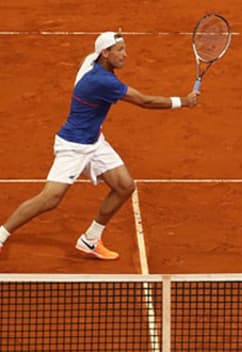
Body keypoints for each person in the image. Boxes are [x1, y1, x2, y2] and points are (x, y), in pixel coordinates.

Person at [0, 31, 199, 260]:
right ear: (105, 53)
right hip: (73, 146)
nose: (125, 55)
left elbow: (97, 51)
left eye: (124, 48)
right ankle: (1, 234)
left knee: (124, 186)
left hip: (94, 141)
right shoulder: (103, 82)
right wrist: (183, 102)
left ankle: (90, 239)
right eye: (119, 50)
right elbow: (145, 101)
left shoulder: (90, 62)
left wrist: (114, 35)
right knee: (50, 199)